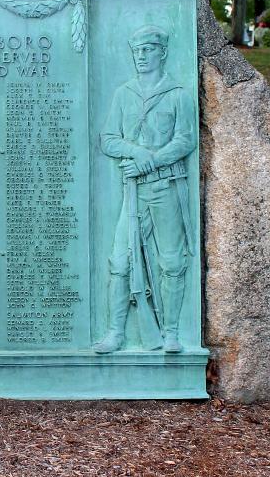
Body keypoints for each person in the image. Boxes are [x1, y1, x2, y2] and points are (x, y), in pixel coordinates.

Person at [93, 25, 196, 354]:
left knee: (172, 263)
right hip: (133, 192)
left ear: (162, 52)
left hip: (166, 189)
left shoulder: (178, 94)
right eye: (137, 50)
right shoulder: (124, 93)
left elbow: (185, 140)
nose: (141, 55)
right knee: (120, 262)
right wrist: (136, 154)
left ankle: (170, 332)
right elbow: (108, 139)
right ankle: (115, 332)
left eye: (148, 49)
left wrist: (149, 160)